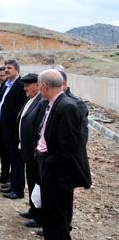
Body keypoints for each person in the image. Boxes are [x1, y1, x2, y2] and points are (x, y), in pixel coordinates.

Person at [35, 69, 91, 239]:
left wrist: (50, 166)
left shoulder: (67, 107)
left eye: (39, 86)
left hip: (57, 174)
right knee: (51, 218)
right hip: (50, 167)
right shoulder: (54, 103)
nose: (38, 89)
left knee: (57, 220)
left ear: (44, 86)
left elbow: (69, 147)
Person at [0, 60, 28, 201]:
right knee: (7, 155)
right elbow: (2, 103)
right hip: (3, 128)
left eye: (9, 68)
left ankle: (18, 190)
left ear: (17, 71)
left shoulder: (20, 86)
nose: (6, 70)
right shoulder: (6, 85)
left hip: (13, 130)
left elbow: (21, 108)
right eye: (5, 68)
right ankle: (11, 183)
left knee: (17, 161)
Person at [16, 73, 44, 228]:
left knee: (38, 184)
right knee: (32, 182)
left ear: (37, 85)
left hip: (35, 153)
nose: (25, 89)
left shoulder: (41, 101)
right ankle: (33, 209)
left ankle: (40, 217)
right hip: (27, 151)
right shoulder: (31, 99)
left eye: (27, 85)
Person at [58, 70, 89, 143]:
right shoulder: (46, 101)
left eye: (53, 84)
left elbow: (82, 137)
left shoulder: (78, 104)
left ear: (64, 84)